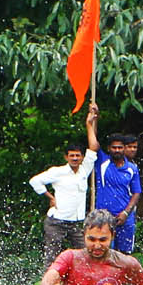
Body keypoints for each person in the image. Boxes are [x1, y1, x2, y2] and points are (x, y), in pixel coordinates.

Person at [28, 104, 101, 267]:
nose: (75, 158)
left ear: (82, 157)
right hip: (57, 222)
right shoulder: (57, 172)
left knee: (85, 253)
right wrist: (49, 197)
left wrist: (90, 122)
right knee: (52, 257)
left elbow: (94, 147)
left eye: (78, 156)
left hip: (77, 222)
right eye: (72, 156)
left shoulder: (84, 170)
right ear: (66, 157)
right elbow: (35, 181)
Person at [95, 133, 142, 254]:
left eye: (120, 147)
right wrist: (90, 122)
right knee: (104, 251)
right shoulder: (102, 163)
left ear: (124, 148)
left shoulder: (132, 168)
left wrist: (126, 212)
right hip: (104, 217)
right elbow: (93, 144)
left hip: (125, 217)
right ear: (109, 149)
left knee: (125, 253)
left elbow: (136, 192)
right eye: (114, 147)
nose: (117, 150)